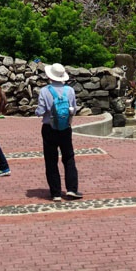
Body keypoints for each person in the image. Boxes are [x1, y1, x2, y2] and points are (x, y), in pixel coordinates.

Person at [36, 62, 81, 201]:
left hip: (49, 128)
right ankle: (72, 189)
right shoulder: (70, 91)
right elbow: (73, 109)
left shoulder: (45, 91)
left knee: (51, 160)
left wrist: (37, 111)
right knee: (68, 158)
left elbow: (41, 111)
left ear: (50, 76)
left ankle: (55, 192)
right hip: (65, 128)